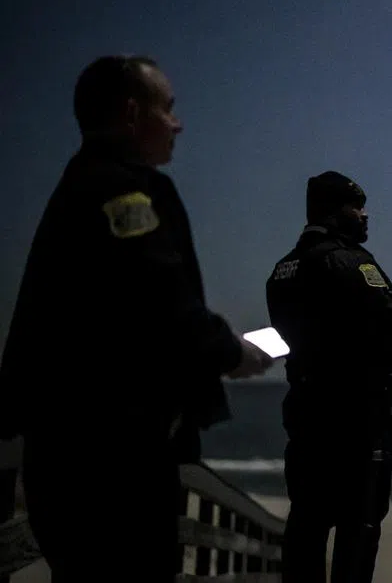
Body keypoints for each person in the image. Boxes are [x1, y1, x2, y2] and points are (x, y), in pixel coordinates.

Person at [0, 54, 275, 581]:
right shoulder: (121, 190)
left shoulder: (78, 184)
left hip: (66, 459)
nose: (178, 122)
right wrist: (233, 352)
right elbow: (159, 296)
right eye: (167, 108)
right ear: (132, 114)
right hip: (111, 464)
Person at [265, 171, 392, 583]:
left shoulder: (283, 269)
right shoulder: (351, 262)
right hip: (358, 420)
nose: (365, 216)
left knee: (306, 524)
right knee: (358, 528)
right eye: (356, 207)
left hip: (306, 415)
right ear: (333, 212)